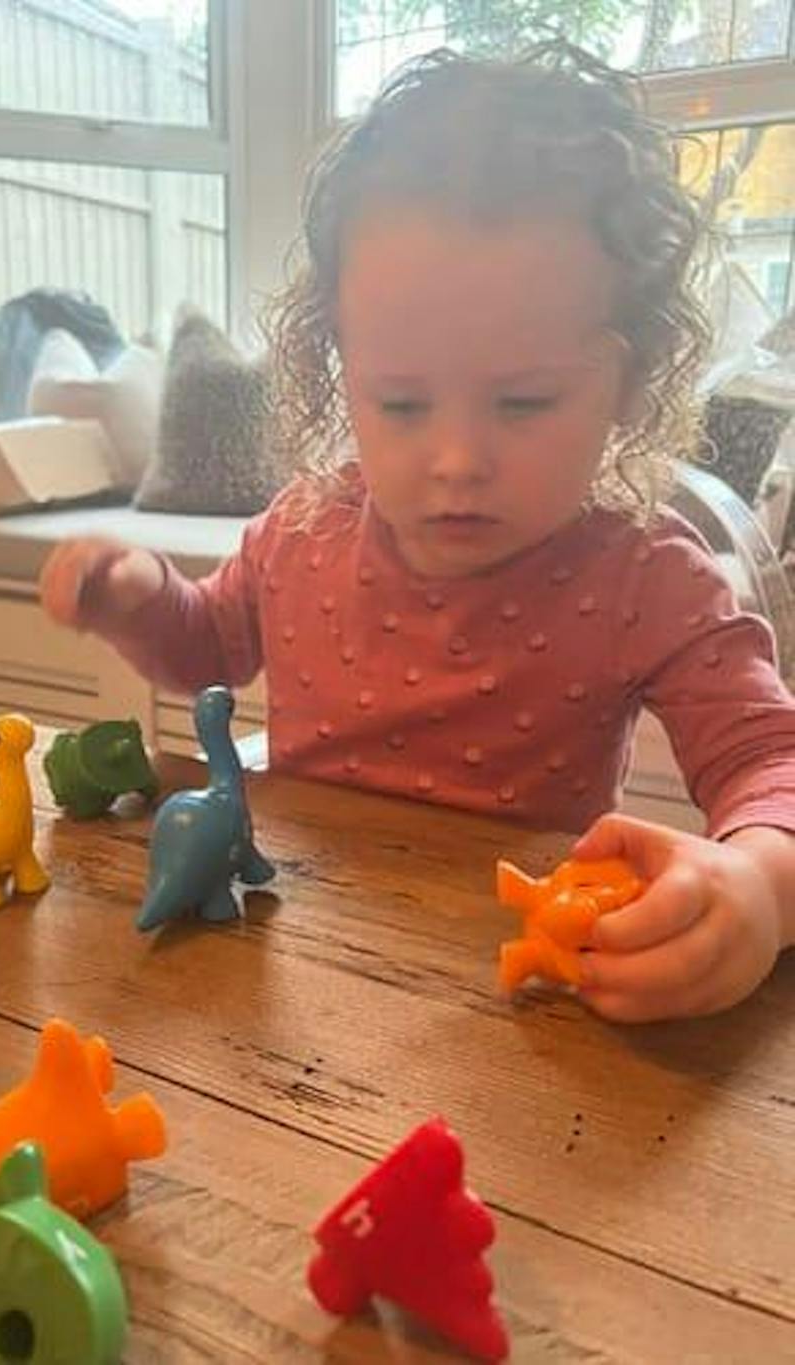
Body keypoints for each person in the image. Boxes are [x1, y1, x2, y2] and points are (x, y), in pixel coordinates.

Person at [40, 43, 795, 1022]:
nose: (456, 459)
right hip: (298, 961)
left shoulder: (648, 579)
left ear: (630, 382)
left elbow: (768, 760)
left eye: (523, 403)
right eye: (399, 403)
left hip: (513, 995)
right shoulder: (303, 530)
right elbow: (206, 651)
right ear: (339, 369)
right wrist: (136, 598)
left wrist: (761, 884)